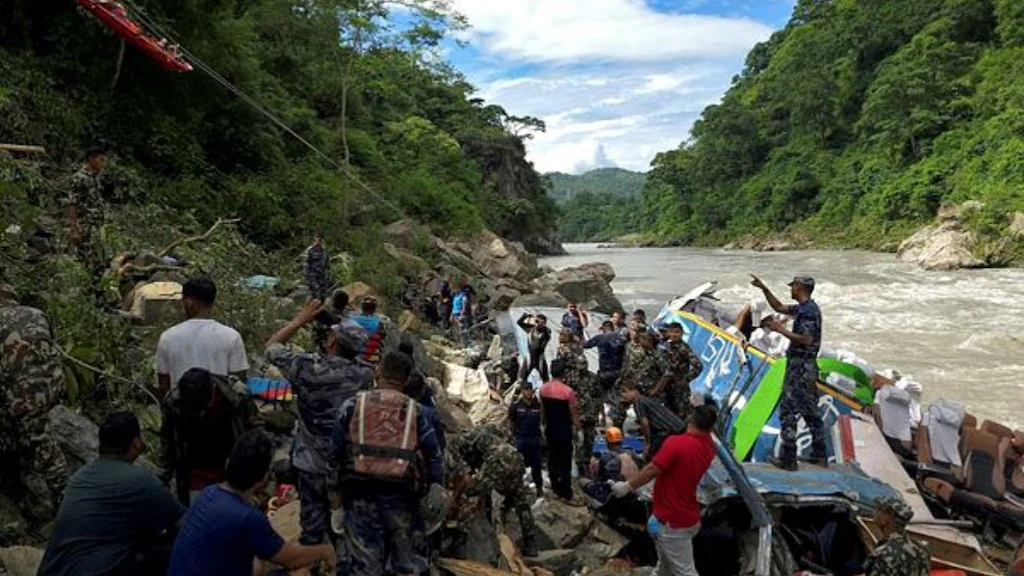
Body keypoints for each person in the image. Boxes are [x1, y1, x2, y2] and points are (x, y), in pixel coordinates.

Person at [265, 299, 374, 547]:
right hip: (346, 464)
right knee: (344, 527)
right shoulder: (364, 376)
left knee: (312, 528)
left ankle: (313, 563)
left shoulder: (305, 368)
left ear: (332, 341)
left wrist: (300, 319)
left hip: (309, 461)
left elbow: (271, 346)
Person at [329, 351, 445, 576]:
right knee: (408, 565)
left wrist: (336, 503)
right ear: (405, 378)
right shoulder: (416, 412)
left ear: (378, 372)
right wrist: (434, 495)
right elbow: (435, 457)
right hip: (403, 501)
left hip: (360, 500)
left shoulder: (352, 406)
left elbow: (334, 457)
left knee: (363, 566)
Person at [168, 431, 336, 576]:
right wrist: (325, 551)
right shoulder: (247, 518)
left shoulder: (208, 493)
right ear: (263, 478)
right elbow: (292, 559)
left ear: (229, 462)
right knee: (300, 572)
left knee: (258, 563)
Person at [39, 412, 186, 576]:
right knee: (175, 543)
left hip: (54, 570)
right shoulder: (139, 479)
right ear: (136, 443)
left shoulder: (81, 475)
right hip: (92, 570)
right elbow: (185, 522)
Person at [611, 405, 719, 576]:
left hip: (673, 520)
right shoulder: (709, 447)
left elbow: (652, 469)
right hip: (687, 515)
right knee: (665, 567)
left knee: (685, 570)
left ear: (689, 420)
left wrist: (627, 486)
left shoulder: (677, 443)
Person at [0, 285, 69, 526]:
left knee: (41, 445)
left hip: (23, 395)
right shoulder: (36, 313)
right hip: (52, 387)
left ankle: (65, 505)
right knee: (32, 435)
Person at [751, 275, 827, 470]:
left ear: (800, 287)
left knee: (788, 410)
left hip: (800, 366)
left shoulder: (808, 311)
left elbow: (806, 339)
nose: (791, 289)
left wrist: (779, 329)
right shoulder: (804, 308)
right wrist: (764, 288)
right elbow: (779, 308)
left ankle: (789, 459)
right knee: (810, 410)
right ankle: (820, 455)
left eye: (793, 286)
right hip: (806, 366)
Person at [160, 367, 261, 504]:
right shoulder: (173, 402)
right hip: (194, 471)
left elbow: (256, 431)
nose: (200, 413)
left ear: (213, 391)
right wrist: (164, 476)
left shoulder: (236, 395)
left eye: (204, 407)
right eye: (194, 409)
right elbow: (168, 441)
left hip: (231, 469)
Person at [447, 424, 539, 559]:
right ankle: (531, 544)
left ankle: (459, 542)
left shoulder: (456, 443)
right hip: (515, 455)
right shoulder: (486, 431)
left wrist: (457, 496)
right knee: (520, 500)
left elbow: (465, 477)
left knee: (472, 495)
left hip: (497, 458)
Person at [155, 276, 248, 396]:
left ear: (188, 302)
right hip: (221, 411)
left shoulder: (168, 337)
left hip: (181, 410)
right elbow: (238, 381)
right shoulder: (232, 336)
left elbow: (163, 385)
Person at [66, 144, 111, 284]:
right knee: (88, 260)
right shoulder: (80, 178)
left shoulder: (95, 178)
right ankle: (88, 292)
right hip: (85, 226)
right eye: (100, 160)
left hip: (96, 225)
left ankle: (97, 294)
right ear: (91, 159)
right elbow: (72, 203)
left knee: (99, 261)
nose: (103, 163)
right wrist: (73, 228)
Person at [557, 330, 599, 477]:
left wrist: (599, 414)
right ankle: (582, 468)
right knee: (579, 443)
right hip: (578, 416)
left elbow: (598, 396)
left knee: (589, 441)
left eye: (584, 364)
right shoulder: (570, 382)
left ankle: (586, 465)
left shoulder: (592, 378)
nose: (582, 366)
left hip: (590, 415)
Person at [539, 359, 580, 500]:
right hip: (564, 429)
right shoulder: (568, 391)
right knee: (565, 459)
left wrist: (542, 425)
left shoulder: (543, 389)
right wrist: (578, 429)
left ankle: (555, 484)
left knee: (553, 457)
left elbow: (542, 411)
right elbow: (574, 413)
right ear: (564, 373)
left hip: (550, 428)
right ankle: (566, 489)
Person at [864, 496, 930, 576]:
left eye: (878, 510)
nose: (874, 512)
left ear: (887, 518)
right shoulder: (922, 550)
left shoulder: (883, 555)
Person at [652, 322, 703, 421]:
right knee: (668, 414)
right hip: (666, 387)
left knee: (681, 416)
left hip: (679, 390)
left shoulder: (684, 348)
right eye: (671, 332)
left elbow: (698, 366)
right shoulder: (666, 346)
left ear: (682, 333)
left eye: (677, 332)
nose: (674, 335)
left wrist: (685, 380)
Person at [621, 383, 686, 459]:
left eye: (625, 391)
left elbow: (644, 423)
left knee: (651, 454)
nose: (623, 395)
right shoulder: (646, 399)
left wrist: (648, 442)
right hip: (678, 427)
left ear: (634, 391)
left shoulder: (638, 402)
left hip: (668, 430)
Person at [584, 320, 628, 426]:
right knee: (617, 397)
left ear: (602, 328)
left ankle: (603, 418)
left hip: (604, 372)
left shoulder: (599, 338)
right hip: (617, 372)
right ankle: (617, 422)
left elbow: (586, 345)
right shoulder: (621, 338)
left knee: (599, 396)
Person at [509, 383, 544, 496]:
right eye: (526, 390)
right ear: (522, 391)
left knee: (537, 466)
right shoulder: (516, 406)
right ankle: (517, 490)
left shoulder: (537, 406)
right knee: (518, 466)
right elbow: (511, 422)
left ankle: (539, 488)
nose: (528, 392)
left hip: (534, 439)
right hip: (521, 439)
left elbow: (542, 419)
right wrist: (511, 436)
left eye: (530, 390)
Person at [618, 330, 663, 398]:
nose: (639, 342)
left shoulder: (658, 356)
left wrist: (655, 390)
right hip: (632, 388)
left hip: (646, 391)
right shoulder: (642, 352)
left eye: (641, 340)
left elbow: (666, 374)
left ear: (649, 341)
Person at [351, 295, 387, 365]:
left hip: (351, 357)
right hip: (370, 360)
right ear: (374, 309)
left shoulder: (352, 320)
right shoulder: (379, 323)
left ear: (362, 307)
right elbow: (383, 337)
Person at [517, 312, 551, 382]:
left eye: (540, 322)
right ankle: (523, 390)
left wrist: (542, 324)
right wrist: (525, 316)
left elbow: (547, 334)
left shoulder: (546, 332)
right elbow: (519, 322)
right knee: (522, 378)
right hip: (530, 356)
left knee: (545, 379)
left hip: (540, 358)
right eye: (536, 321)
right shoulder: (530, 329)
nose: (537, 324)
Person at [303, 233, 330, 301]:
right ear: (314, 239)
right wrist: (307, 278)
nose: (319, 241)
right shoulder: (310, 250)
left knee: (323, 295)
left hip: (322, 276)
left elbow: (327, 264)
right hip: (313, 276)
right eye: (317, 238)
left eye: (321, 239)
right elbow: (306, 264)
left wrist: (327, 276)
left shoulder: (324, 250)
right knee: (315, 293)